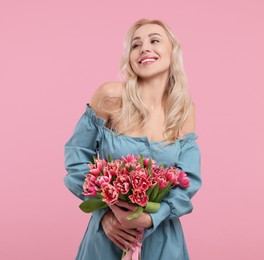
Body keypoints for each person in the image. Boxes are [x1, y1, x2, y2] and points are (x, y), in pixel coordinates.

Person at [64, 18, 202, 260]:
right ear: (129, 57)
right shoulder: (110, 96)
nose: (145, 48)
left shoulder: (184, 110)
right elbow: (77, 158)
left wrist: (150, 218)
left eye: (154, 40)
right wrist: (106, 215)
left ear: (172, 51)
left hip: (162, 238)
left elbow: (187, 179)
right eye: (136, 45)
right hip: (110, 235)